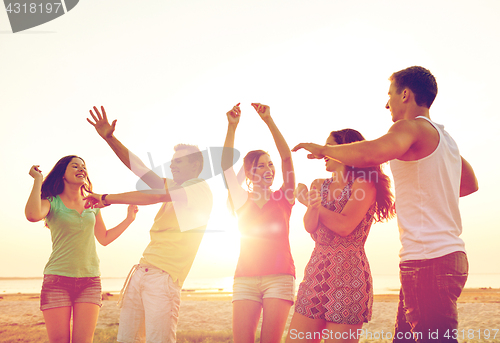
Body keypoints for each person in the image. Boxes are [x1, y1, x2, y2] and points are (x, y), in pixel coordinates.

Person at [292, 66, 478, 343]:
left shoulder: (409, 127)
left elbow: (371, 153)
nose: (386, 102)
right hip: (441, 258)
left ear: (405, 94)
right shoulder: (445, 140)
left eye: (389, 94)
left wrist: (323, 149)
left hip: (429, 261)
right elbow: (469, 184)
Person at [86, 106, 213, 343]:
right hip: (141, 272)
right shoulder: (172, 187)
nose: (172, 166)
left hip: (164, 279)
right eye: (172, 162)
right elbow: (141, 170)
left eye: (179, 162)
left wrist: (106, 199)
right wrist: (110, 138)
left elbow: (152, 195)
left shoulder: (198, 188)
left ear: (195, 166)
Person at [286, 129, 395, 343]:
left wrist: (309, 201)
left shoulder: (364, 185)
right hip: (317, 269)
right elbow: (310, 227)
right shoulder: (319, 184)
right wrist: (311, 204)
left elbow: (345, 226)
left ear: (347, 150)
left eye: (330, 146)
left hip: (349, 274)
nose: (324, 152)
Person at [25, 156, 138, 343]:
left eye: (84, 166)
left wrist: (128, 220)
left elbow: (104, 238)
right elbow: (32, 215)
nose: (81, 169)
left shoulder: (92, 204)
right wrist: (38, 180)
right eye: (75, 166)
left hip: (90, 281)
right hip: (57, 280)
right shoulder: (51, 202)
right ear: (62, 174)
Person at [222, 103, 296, 343]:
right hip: (245, 279)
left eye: (270, 164)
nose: (269, 169)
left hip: (280, 278)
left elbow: (286, 158)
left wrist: (269, 120)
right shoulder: (241, 199)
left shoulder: (284, 197)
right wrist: (232, 127)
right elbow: (225, 168)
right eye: (261, 165)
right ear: (249, 172)